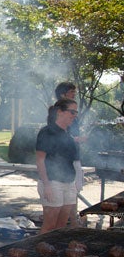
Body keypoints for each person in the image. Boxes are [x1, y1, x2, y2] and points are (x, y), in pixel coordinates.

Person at [36, 98, 80, 234]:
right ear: (60, 112)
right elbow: (40, 160)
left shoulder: (68, 134)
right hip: (52, 182)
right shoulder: (47, 132)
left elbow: (72, 160)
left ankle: (54, 254)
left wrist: (77, 180)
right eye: (72, 112)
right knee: (49, 226)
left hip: (68, 182)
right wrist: (47, 185)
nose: (74, 116)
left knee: (60, 227)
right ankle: (41, 254)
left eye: (76, 113)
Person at [54, 82, 85, 227]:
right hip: (63, 160)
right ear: (63, 94)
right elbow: (56, 135)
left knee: (72, 191)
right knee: (68, 190)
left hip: (74, 156)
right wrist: (76, 139)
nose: (74, 94)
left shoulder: (72, 113)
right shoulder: (58, 112)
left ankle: (73, 221)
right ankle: (72, 222)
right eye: (71, 91)